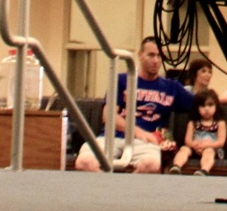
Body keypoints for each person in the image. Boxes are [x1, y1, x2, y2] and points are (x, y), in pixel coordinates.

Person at [74, 36, 195, 172]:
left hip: (146, 143)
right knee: (84, 162)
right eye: (151, 55)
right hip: (112, 137)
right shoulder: (121, 80)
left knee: (151, 165)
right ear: (140, 55)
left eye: (159, 56)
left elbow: (203, 103)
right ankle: (109, 190)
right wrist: (138, 132)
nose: (155, 60)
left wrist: (223, 97)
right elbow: (108, 117)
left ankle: (125, 192)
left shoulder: (171, 87)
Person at [169, 89, 227, 173]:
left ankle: (204, 170)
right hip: (195, 148)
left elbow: (221, 142)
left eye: (210, 105)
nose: (206, 109)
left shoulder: (220, 123)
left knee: (208, 152)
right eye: (203, 106)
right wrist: (195, 145)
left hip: (212, 149)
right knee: (184, 149)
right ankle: (176, 166)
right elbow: (188, 140)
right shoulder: (193, 123)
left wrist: (208, 145)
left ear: (216, 106)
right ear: (197, 107)